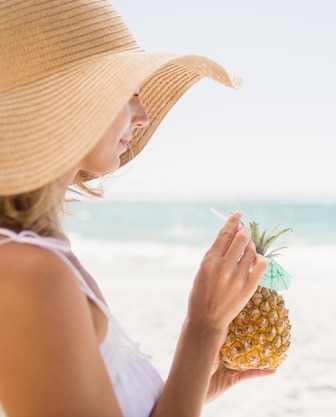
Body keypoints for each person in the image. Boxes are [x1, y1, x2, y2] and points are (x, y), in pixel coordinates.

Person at [0, 0, 274, 416]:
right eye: (125, 92)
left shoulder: (43, 253)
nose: (143, 114)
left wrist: (197, 381)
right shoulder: (26, 273)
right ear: (67, 102)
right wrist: (205, 325)